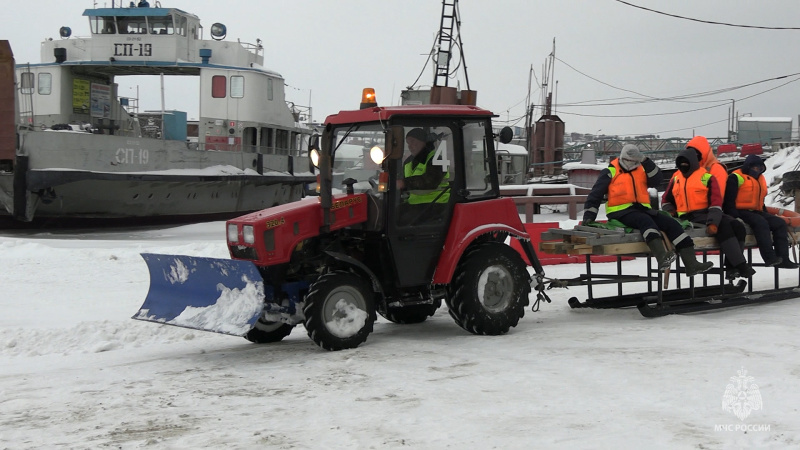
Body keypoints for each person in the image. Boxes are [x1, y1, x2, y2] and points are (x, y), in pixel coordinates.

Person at [582, 144, 712, 274]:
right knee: (646, 222)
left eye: (635, 162)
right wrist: (589, 217)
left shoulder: (642, 169)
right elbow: (595, 195)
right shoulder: (610, 172)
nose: (632, 164)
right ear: (622, 158)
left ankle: (691, 264)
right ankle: (662, 258)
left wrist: (646, 161)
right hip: (620, 212)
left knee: (671, 223)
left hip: (641, 209)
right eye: (629, 161)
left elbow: (657, 180)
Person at [662, 148, 755, 279]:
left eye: (686, 163)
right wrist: (670, 211)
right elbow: (666, 200)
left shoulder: (707, 177)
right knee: (725, 227)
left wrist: (712, 222)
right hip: (687, 217)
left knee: (738, 226)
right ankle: (741, 265)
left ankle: (731, 267)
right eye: (681, 163)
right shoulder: (676, 179)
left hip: (706, 213)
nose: (683, 166)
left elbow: (715, 202)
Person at [723, 154, 799, 269]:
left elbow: (760, 199)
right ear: (748, 166)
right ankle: (769, 258)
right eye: (754, 167)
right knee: (761, 223)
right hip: (740, 211)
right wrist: (734, 216)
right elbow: (729, 200)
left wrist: (766, 213)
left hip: (757, 210)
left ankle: (783, 258)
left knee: (779, 223)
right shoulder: (735, 177)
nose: (757, 170)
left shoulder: (760, 179)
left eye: (760, 168)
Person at [397, 128, 450, 205]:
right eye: (408, 143)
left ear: (423, 142)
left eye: (413, 142)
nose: (410, 146)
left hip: (437, 204)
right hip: (414, 205)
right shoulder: (408, 162)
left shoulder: (437, 159)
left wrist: (403, 183)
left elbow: (430, 182)